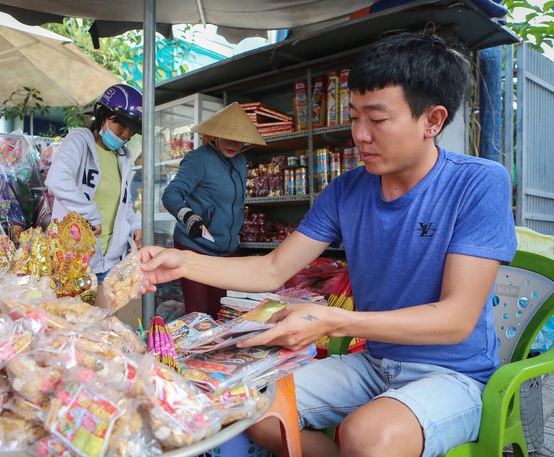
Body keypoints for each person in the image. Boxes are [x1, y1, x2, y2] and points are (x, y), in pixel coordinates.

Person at [139, 32, 517, 457]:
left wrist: (333, 321)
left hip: (454, 374)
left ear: (432, 121)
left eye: (377, 119)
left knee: (367, 435)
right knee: (253, 407)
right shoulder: (346, 190)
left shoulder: (479, 182)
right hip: (375, 365)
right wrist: (183, 262)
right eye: (355, 117)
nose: (359, 135)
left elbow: (456, 319)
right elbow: (271, 269)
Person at [161, 102, 266, 318]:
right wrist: (187, 215)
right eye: (227, 137)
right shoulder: (198, 159)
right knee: (199, 315)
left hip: (226, 250)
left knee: (222, 313)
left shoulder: (241, 161)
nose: (232, 144)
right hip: (195, 247)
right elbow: (171, 194)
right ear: (215, 135)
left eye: (238, 139)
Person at [46, 83, 143, 300]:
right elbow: (56, 179)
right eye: (121, 126)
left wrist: (136, 226)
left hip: (110, 262)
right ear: (103, 118)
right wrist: (89, 213)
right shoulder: (80, 140)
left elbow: (123, 205)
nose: (126, 134)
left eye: (131, 130)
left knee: (105, 328)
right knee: (71, 326)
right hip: (75, 260)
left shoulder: (123, 157)